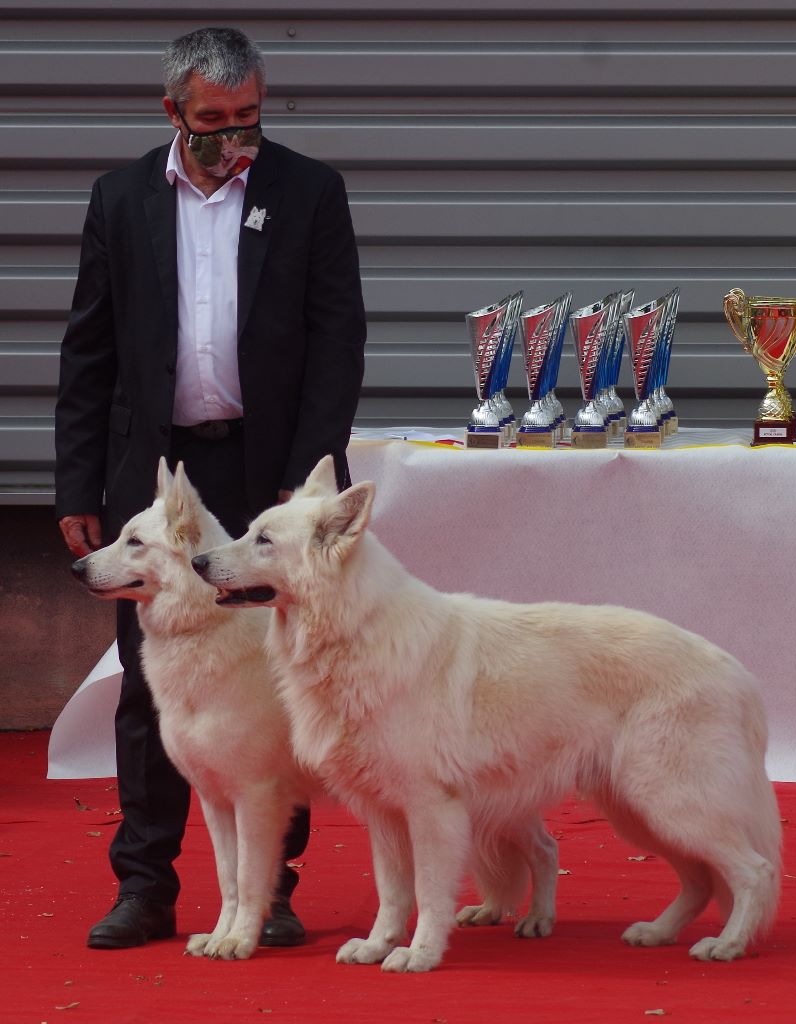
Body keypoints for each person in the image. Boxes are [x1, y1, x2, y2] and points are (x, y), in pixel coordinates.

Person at [54, 26, 366, 949]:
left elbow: (335, 342)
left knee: (281, 676)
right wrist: (78, 484)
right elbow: (90, 351)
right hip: (154, 485)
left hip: (266, 478)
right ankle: (146, 885)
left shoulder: (309, 192)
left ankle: (270, 891)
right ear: (172, 114)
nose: (235, 138)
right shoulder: (119, 200)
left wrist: (302, 488)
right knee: (154, 689)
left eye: (249, 119)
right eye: (214, 121)